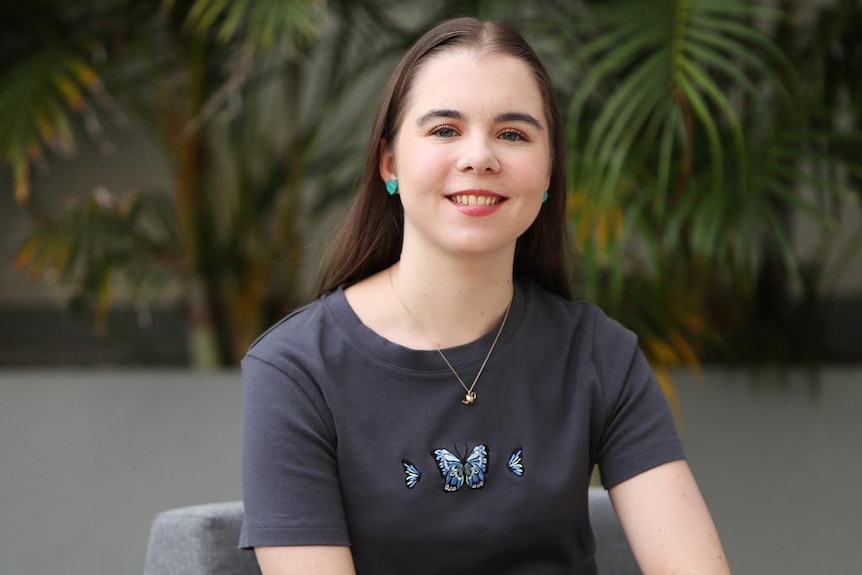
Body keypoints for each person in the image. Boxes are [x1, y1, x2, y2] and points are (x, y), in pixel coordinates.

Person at [239, 16, 730, 575]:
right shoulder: (296, 369)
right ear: (389, 162)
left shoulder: (598, 354)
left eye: (513, 134)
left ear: (548, 174)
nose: (480, 157)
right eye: (445, 130)